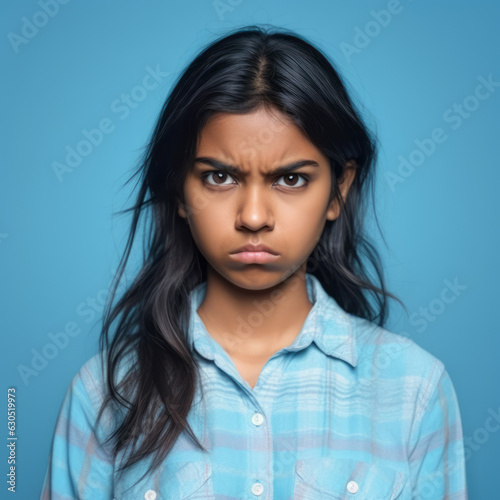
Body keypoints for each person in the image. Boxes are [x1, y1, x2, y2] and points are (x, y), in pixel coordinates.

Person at [40, 24, 468, 499]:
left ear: (338, 189)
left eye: (290, 179)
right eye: (220, 177)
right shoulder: (105, 393)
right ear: (179, 189)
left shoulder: (414, 390)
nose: (254, 216)